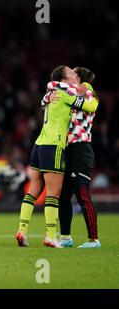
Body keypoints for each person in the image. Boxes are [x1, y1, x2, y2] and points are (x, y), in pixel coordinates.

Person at [15, 65, 98, 248]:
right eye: (70, 73)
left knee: (33, 189)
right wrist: (89, 89)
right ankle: (51, 236)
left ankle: (22, 230)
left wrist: (47, 96)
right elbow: (91, 105)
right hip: (54, 145)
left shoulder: (53, 92)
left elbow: (44, 99)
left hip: (38, 145)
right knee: (54, 193)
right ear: (64, 80)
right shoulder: (67, 94)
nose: (74, 76)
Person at [44, 67, 100, 248]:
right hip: (66, 149)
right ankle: (66, 236)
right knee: (64, 195)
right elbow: (51, 87)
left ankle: (94, 239)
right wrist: (46, 97)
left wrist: (88, 88)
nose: (72, 76)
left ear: (80, 80)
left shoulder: (87, 95)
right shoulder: (69, 93)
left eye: (74, 74)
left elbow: (91, 103)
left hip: (81, 150)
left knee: (82, 194)